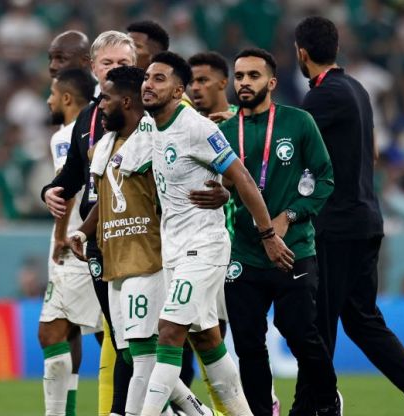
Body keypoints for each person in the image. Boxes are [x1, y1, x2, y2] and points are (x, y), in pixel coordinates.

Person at [293, 16, 404, 416]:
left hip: (335, 226)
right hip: (366, 218)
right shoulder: (357, 89)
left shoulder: (321, 97)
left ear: (301, 53)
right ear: (335, 47)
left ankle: (309, 408)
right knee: (362, 321)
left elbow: (289, 154)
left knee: (317, 326)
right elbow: (374, 152)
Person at [140, 51, 292, 416]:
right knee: (207, 340)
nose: (148, 84)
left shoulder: (197, 128)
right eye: (147, 77)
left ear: (177, 90)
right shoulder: (152, 127)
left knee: (169, 332)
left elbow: (242, 178)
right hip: (174, 250)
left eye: (159, 79)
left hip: (204, 248)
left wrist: (268, 234)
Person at [70, 65, 216, 416]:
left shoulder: (155, 142)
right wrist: (82, 231)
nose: (99, 106)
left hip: (148, 259)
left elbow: (182, 188)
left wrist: (220, 194)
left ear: (125, 101)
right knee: (132, 355)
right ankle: (200, 413)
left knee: (145, 357)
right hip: (115, 261)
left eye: (105, 99)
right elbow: (109, 197)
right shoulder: (106, 146)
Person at [219, 48, 341, 416]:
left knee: (301, 334)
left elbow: (325, 179)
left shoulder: (298, 122)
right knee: (248, 346)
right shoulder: (223, 133)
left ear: (271, 82)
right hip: (243, 253)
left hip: (294, 250)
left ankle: (327, 402)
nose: (244, 82)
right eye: (239, 76)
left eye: (253, 76)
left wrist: (290, 214)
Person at [41, 30, 136, 416]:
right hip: (96, 242)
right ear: (94, 68)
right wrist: (50, 191)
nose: (114, 69)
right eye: (108, 63)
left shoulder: (149, 116)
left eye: (123, 63)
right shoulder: (87, 117)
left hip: (137, 239)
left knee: (139, 337)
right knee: (118, 334)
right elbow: (72, 175)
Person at [189, 51, 282, 416]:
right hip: (198, 248)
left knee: (242, 339)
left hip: (238, 249)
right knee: (205, 339)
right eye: (191, 82)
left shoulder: (242, 124)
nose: (195, 88)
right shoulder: (186, 126)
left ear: (222, 83)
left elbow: (262, 178)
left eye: (202, 81)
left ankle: (267, 402)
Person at [43, 30, 98, 416]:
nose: (52, 66)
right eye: (51, 57)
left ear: (83, 62)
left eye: (60, 58)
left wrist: (62, 236)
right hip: (101, 235)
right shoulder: (102, 115)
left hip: (78, 241)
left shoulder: (72, 130)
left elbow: (69, 188)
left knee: (53, 331)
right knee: (97, 335)